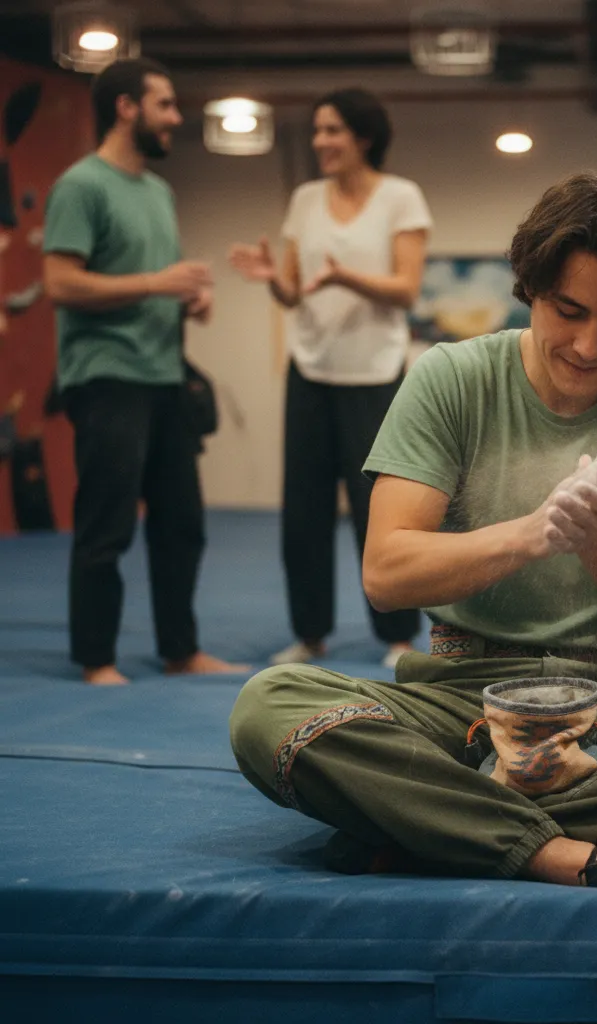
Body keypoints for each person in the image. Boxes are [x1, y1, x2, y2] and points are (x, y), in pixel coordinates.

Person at [229, 172, 597, 893]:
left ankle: (430, 826)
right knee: (268, 707)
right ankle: (573, 856)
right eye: (568, 310)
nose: (588, 345)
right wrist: (532, 534)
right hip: (459, 698)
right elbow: (386, 573)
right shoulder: (450, 378)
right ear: (530, 287)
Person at [43, 58, 244, 685]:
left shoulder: (159, 192)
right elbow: (60, 283)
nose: (176, 118)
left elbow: (154, 281)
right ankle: (96, 659)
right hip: (106, 377)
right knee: (106, 525)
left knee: (182, 523)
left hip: (164, 377)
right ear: (126, 108)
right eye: (165, 105)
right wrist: (158, 283)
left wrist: (190, 298)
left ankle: (181, 651)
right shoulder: (81, 186)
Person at [229, 88, 430, 669]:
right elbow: (293, 292)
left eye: (332, 130)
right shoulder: (305, 199)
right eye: (317, 130)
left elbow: (406, 289)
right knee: (304, 511)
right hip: (311, 371)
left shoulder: (401, 197)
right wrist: (272, 279)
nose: (320, 141)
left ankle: (397, 636)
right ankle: (310, 634)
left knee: (380, 508)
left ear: (363, 137)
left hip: (376, 373)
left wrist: (348, 278)